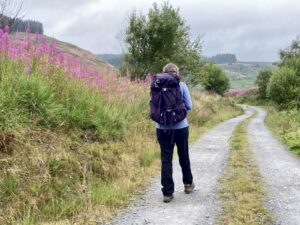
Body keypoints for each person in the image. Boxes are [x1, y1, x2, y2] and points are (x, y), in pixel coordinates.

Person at [155, 63, 195, 203]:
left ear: (164, 73)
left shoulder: (157, 85)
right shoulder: (182, 85)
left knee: (166, 159)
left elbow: (154, 106)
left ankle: (167, 193)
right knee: (183, 155)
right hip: (181, 127)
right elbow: (189, 105)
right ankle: (188, 184)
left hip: (162, 127)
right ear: (177, 73)